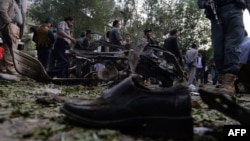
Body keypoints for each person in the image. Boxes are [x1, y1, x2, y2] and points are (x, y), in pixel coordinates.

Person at [197, 0, 246, 96]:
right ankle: (222, 80)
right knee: (218, 49)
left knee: (231, 45)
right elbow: (200, 2)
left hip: (234, 9)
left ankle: (229, 83)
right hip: (216, 12)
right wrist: (205, 4)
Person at [0, 0, 25, 75]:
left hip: (15, 26)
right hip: (11, 25)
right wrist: (9, 22)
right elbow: (2, 10)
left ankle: (3, 67)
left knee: (8, 47)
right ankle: (9, 67)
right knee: (11, 47)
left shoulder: (17, 3)